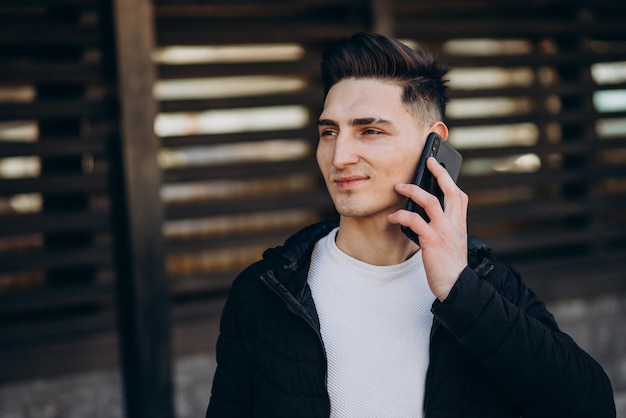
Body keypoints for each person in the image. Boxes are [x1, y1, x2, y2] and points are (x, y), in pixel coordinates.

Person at [206, 32, 615, 418]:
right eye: (329, 132)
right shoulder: (265, 291)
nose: (339, 155)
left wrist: (460, 289)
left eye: (369, 130)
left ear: (433, 143)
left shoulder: (485, 282)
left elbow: (590, 405)